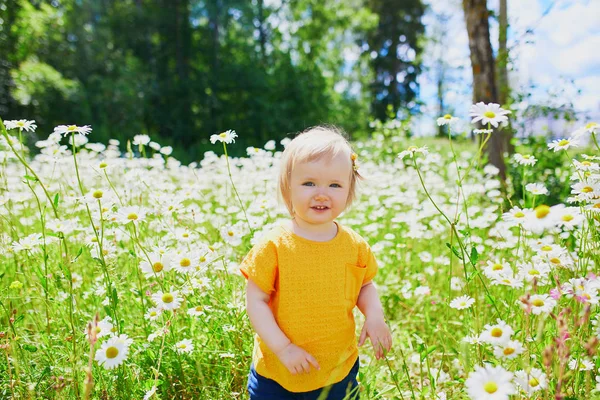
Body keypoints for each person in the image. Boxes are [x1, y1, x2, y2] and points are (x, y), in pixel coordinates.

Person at [240, 126, 392, 399]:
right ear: (287, 187)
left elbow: (365, 285)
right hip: (277, 372)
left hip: (337, 369)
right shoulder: (274, 245)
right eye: (309, 183)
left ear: (349, 190)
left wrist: (375, 316)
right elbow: (256, 300)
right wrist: (284, 348)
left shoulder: (354, 245)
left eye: (335, 185)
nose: (322, 194)